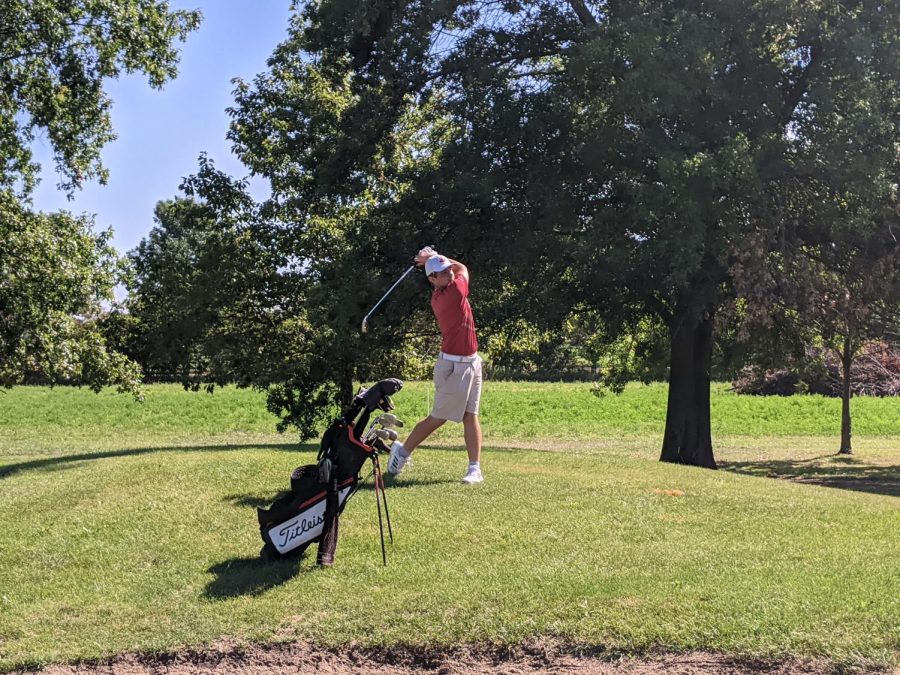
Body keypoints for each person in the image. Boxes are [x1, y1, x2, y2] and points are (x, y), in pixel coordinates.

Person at [387, 247, 484, 483]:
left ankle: (474, 469)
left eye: (448, 269)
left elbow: (457, 269)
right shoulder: (452, 294)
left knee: (470, 415)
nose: (450, 273)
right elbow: (463, 268)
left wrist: (432, 259)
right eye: (442, 272)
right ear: (432, 279)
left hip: (471, 361)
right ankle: (402, 452)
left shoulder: (447, 286)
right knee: (438, 417)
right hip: (454, 368)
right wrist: (432, 257)